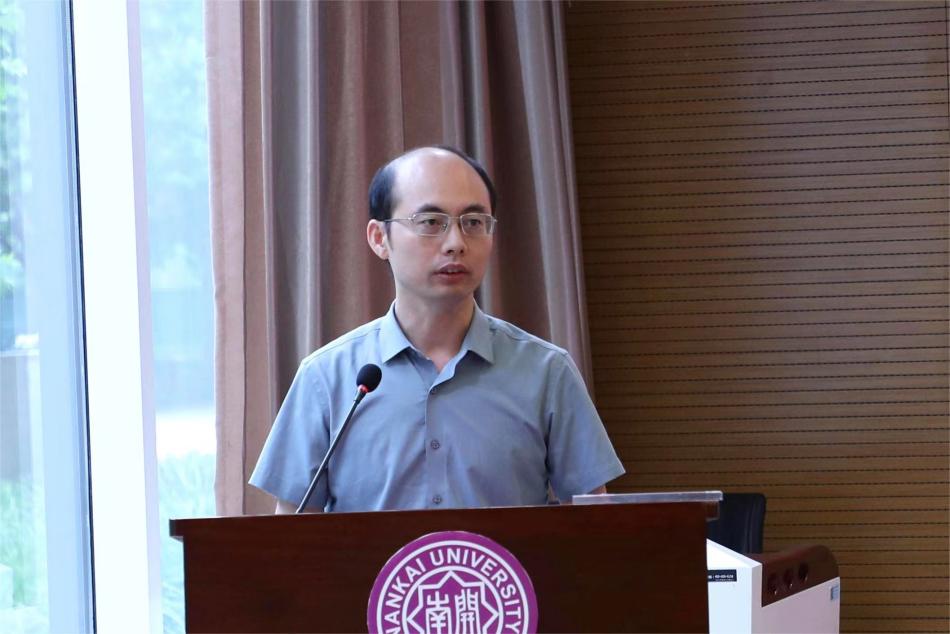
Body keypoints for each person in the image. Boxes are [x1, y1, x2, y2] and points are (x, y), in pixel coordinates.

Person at [249, 146, 624, 513]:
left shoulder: (546, 373)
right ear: (380, 238)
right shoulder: (326, 378)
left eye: (473, 223)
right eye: (430, 222)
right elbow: (293, 538)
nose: (456, 243)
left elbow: (594, 526)